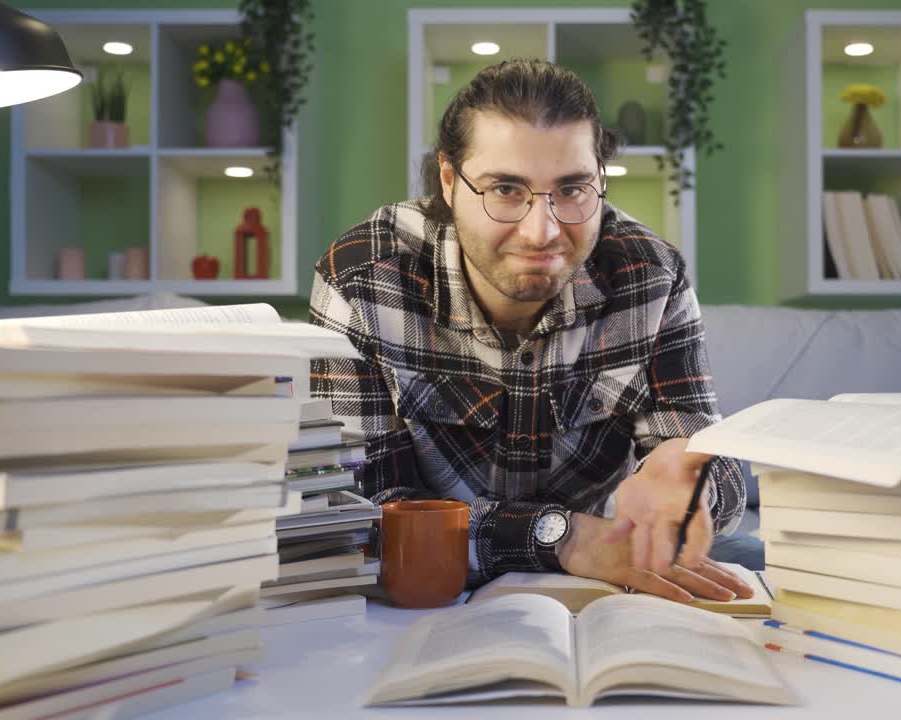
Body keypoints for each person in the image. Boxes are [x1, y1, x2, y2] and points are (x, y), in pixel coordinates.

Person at [309, 58, 751, 603]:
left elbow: (720, 480)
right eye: (505, 190)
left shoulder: (650, 274)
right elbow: (352, 516)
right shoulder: (364, 275)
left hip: (604, 591)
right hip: (430, 597)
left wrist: (690, 474)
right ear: (449, 180)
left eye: (572, 190)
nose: (542, 231)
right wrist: (561, 538)